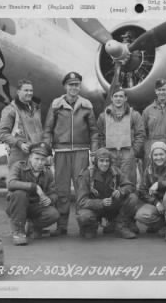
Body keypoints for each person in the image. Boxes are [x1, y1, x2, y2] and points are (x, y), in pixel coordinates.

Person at [43, 72, 99, 236]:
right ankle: (61, 226)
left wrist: (94, 152)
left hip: (82, 152)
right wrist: (46, 151)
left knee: (82, 189)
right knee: (62, 189)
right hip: (61, 152)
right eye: (71, 85)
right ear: (65, 86)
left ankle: (85, 224)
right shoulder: (56, 105)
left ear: (79, 86)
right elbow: (48, 130)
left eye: (76, 85)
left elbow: (94, 132)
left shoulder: (87, 105)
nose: (74, 88)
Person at [76, 148, 139, 239]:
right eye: (101, 161)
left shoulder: (115, 171)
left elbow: (130, 186)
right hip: (94, 209)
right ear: (96, 161)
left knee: (132, 198)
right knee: (84, 217)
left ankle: (120, 225)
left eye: (107, 161)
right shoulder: (87, 174)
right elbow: (81, 201)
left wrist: (121, 191)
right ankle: (90, 227)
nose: (105, 164)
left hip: (112, 206)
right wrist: (100, 203)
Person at [6, 142, 59, 246]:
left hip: (36, 207)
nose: (40, 162)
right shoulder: (18, 166)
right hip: (17, 206)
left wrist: (50, 199)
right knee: (20, 194)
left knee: (54, 214)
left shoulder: (48, 173)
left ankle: (33, 227)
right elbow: (11, 183)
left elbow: (53, 193)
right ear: (30, 157)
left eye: (43, 159)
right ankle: (18, 231)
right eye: (36, 159)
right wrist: (34, 187)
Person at [135, 142, 166, 242]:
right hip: (159, 204)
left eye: (161, 154)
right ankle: (163, 226)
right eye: (155, 155)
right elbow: (142, 191)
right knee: (141, 215)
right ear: (151, 156)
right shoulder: (148, 169)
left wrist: (160, 184)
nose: (159, 157)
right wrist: (156, 203)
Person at [97, 87, 145, 185]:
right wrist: (104, 151)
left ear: (125, 98)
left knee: (128, 182)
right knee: (111, 180)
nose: (118, 99)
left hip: (127, 153)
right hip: (110, 153)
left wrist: (134, 151)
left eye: (121, 96)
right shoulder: (103, 116)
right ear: (111, 98)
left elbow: (140, 134)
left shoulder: (134, 115)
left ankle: (130, 200)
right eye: (115, 96)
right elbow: (99, 135)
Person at [0, 79, 43, 167]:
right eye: (26, 90)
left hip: (36, 157)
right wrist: (20, 144)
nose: (29, 93)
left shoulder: (36, 110)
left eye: (31, 90)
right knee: (17, 180)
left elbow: (40, 131)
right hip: (19, 156)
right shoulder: (10, 110)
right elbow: (2, 133)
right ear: (18, 92)